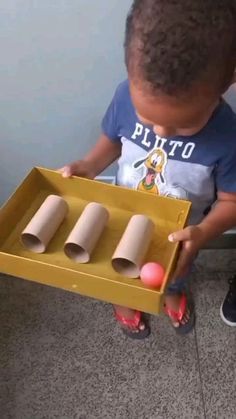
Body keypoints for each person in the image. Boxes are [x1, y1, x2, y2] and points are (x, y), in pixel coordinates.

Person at [60, 0, 236, 339]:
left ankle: (171, 292)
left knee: (173, 273)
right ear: (129, 70)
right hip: (121, 217)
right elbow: (112, 140)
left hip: (178, 234)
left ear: (228, 81)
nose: (160, 134)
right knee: (119, 267)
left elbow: (231, 201)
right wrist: (89, 165)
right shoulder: (126, 96)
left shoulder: (228, 135)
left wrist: (202, 234)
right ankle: (124, 299)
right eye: (147, 120)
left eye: (184, 125)